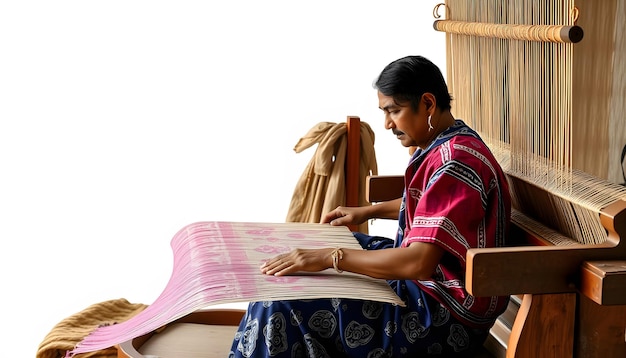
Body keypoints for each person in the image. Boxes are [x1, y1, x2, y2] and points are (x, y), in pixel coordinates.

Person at [229, 55, 511, 357]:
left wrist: (330, 257)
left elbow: (418, 263)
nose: (388, 123)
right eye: (385, 112)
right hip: (426, 289)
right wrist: (368, 211)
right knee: (302, 256)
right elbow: (433, 207)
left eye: (395, 111)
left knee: (283, 296)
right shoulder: (452, 141)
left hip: (437, 316)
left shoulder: (456, 161)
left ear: (428, 104)